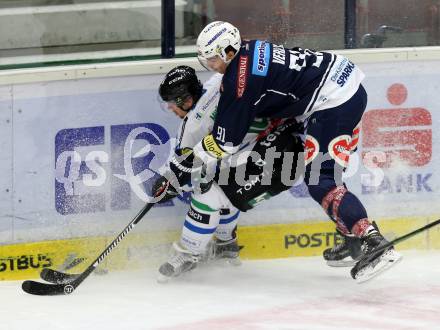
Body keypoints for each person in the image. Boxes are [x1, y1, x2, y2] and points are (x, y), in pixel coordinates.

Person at [168, 21, 401, 283]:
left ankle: (373, 241)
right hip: (342, 83)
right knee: (326, 178)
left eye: (213, 59)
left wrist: (186, 165)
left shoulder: (239, 81)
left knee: (321, 182)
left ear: (229, 52)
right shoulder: (251, 48)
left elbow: (224, 143)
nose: (210, 65)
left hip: (334, 102)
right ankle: (352, 237)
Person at [153, 65, 303, 281]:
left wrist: (170, 183)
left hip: (275, 161)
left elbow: (183, 169)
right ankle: (225, 245)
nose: (169, 108)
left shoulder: (193, 125)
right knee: (223, 178)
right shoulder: (218, 81)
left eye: (171, 103)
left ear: (185, 100)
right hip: (285, 146)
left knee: (207, 192)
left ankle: (189, 253)